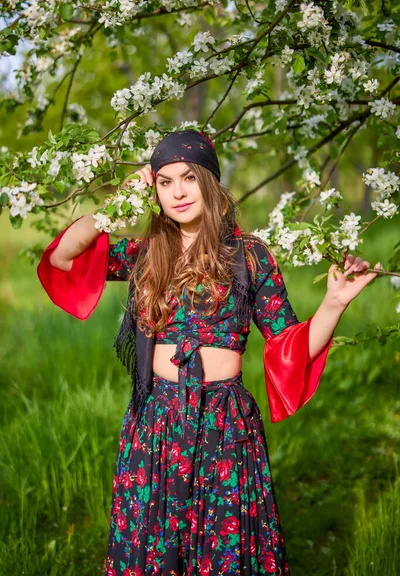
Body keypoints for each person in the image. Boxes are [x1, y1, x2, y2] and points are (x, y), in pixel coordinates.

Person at [37, 129, 380, 576]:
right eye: (165, 182)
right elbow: (64, 256)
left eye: (189, 178)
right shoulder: (148, 254)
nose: (177, 192)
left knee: (222, 548)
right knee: (156, 544)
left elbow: (288, 347)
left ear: (210, 182)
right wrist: (115, 206)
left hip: (224, 421)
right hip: (157, 421)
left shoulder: (248, 254)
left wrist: (334, 303)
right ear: (154, 190)